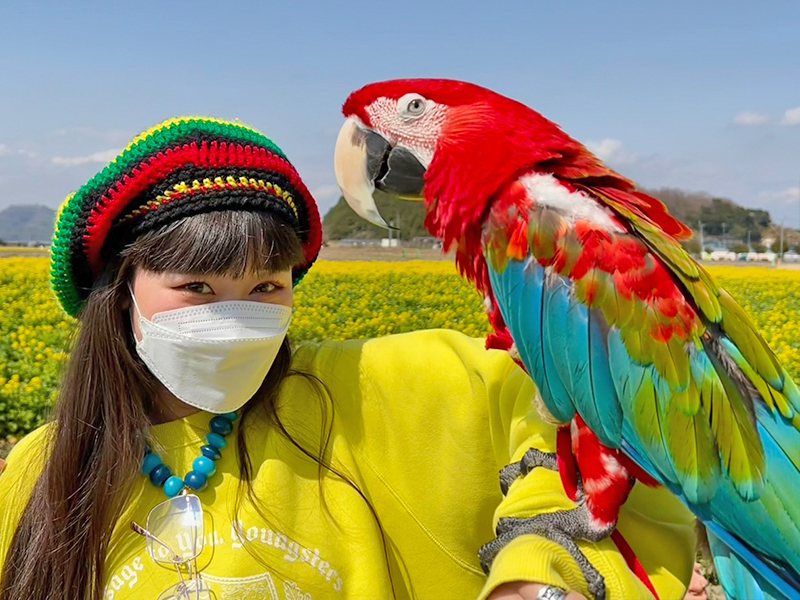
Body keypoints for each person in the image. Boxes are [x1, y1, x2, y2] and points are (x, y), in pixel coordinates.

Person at [0, 118, 697, 600]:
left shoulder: (358, 395)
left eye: (266, 287)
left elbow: (591, 415)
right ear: (118, 295)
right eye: (198, 288)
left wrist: (541, 570)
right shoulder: (42, 469)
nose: (235, 318)